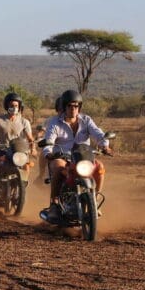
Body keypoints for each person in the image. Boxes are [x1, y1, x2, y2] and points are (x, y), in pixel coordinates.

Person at [40, 89, 112, 222]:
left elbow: (99, 134)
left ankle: (94, 201)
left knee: (100, 167)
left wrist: (104, 145)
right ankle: (54, 204)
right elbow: (49, 140)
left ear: (79, 107)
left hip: (83, 157)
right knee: (57, 167)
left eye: (76, 106)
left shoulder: (86, 120)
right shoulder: (55, 122)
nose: (73, 109)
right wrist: (49, 152)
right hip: (63, 157)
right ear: (64, 107)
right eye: (70, 106)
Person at [0, 92, 36, 201]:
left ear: (20, 106)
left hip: (17, 150)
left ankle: (22, 188)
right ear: (6, 106)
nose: (14, 108)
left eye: (16, 106)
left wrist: (33, 148)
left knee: (27, 165)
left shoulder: (24, 122)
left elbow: (30, 138)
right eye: (11, 105)